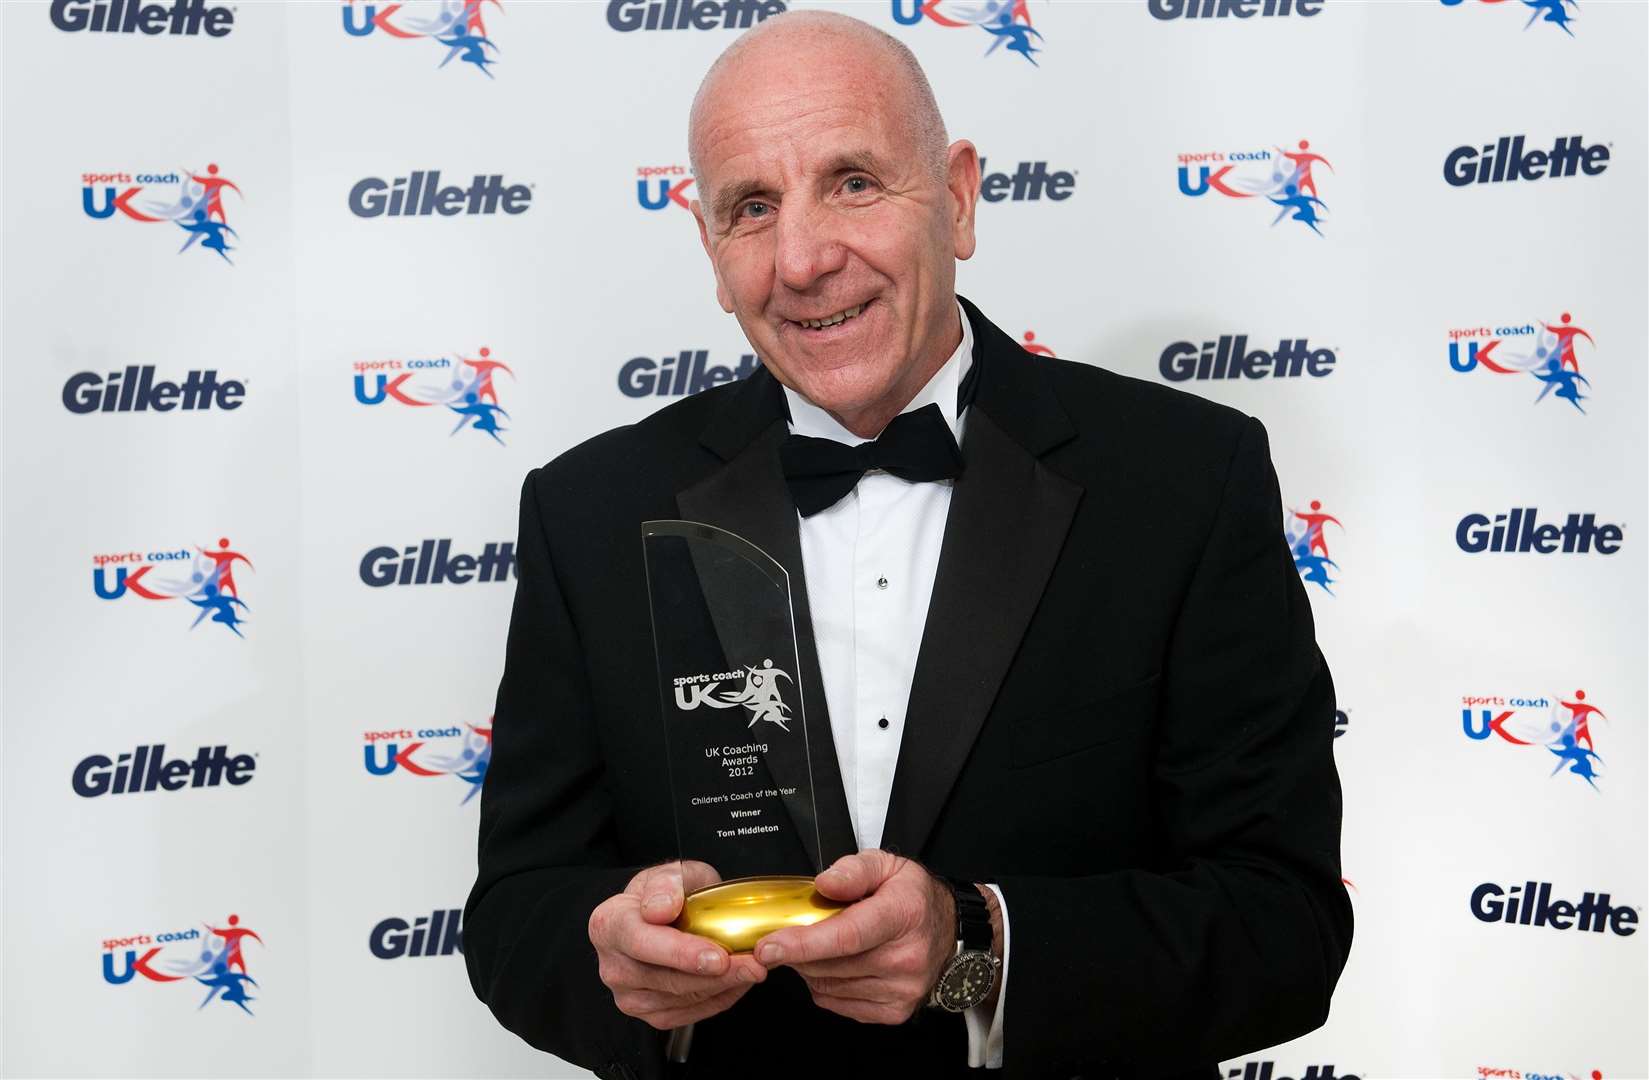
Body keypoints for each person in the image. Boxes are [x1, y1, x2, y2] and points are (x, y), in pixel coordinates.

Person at [464, 12, 1350, 1080]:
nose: (801, 260)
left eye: (851, 183)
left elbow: (1284, 919)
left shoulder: (1181, 479)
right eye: (751, 208)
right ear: (710, 250)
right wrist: (618, 958)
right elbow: (517, 910)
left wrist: (974, 949)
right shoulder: (589, 510)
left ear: (959, 196)